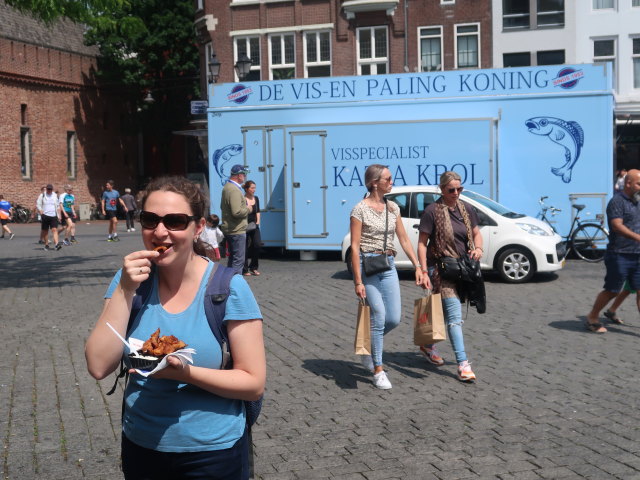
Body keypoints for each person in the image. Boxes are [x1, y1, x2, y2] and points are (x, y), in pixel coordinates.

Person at [85, 176, 265, 480]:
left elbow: (253, 382)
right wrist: (125, 289)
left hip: (213, 454)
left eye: (175, 221)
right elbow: (98, 365)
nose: (159, 232)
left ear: (198, 226)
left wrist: (185, 374)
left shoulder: (227, 287)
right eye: (150, 219)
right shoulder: (129, 282)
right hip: (142, 447)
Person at [350, 164, 423, 390]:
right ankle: (378, 369)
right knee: (379, 316)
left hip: (389, 264)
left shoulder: (393, 208)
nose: (392, 182)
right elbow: (354, 247)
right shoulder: (359, 209)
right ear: (375, 183)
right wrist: (358, 281)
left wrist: (418, 266)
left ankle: (369, 349)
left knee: (394, 318)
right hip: (368, 265)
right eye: (388, 179)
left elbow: (403, 238)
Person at [416, 171, 483, 382]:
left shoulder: (466, 209)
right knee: (455, 318)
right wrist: (424, 270)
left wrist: (479, 249)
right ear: (442, 189)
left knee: (444, 313)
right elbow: (421, 243)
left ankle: (426, 345)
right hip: (441, 269)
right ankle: (463, 365)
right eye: (451, 190)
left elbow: (476, 232)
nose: (456, 193)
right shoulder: (431, 211)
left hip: (463, 268)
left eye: (459, 189)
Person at [586, 169, 640, 333]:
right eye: (639, 183)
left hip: (637, 255)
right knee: (612, 290)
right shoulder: (617, 201)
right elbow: (617, 225)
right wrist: (637, 237)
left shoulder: (637, 201)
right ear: (628, 184)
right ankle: (592, 317)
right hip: (619, 254)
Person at [220, 165, 251, 274]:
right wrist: (248, 209)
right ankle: (235, 285)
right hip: (236, 229)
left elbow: (223, 207)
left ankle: (228, 283)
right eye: (244, 174)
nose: (245, 177)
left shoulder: (227, 187)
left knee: (233, 259)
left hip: (231, 228)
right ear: (239, 175)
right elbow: (236, 212)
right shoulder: (234, 190)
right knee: (238, 261)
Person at [243, 180, 261, 276]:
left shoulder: (256, 198)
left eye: (255, 187)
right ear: (246, 189)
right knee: (244, 247)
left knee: (257, 245)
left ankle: (253, 267)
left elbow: (258, 211)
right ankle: (244, 269)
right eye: (252, 188)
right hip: (244, 225)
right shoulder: (242, 199)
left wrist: (258, 222)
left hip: (254, 225)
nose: (254, 190)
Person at [37, 184, 62, 251]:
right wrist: (40, 210)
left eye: (50, 189)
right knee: (45, 231)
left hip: (53, 215)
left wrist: (59, 215)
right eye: (48, 189)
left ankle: (56, 244)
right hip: (45, 215)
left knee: (54, 230)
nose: (49, 190)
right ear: (46, 189)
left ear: (52, 189)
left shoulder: (54, 195)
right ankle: (46, 244)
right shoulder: (42, 195)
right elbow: (38, 204)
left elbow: (57, 206)